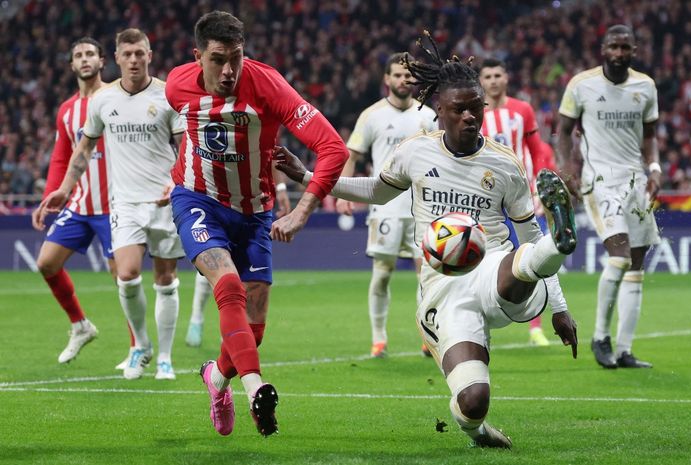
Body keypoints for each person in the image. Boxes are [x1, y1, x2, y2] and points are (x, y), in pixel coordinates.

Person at [275, 31, 578, 448]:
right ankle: (478, 432)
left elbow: (528, 231)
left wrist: (559, 308)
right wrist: (309, 178)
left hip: (492, 268)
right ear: (440, 111)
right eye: (460, 110)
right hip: (441, 287)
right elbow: (376, 191)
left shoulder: (505, 165)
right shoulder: (415, 152)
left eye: (477, 109)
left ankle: (561, 242)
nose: (471, 116)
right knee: (473, 399)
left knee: (522, 258)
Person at [165, 11, 347, 437]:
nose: (228, 70)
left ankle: (216, 379)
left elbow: (332, 147)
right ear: (198, 57)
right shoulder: (177, 85)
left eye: (236, 58)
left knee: (255, 330)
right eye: (217, 60)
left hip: (256, 212)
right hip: (197, 200)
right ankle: (255, 387)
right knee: (226, 285)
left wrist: (301, 210)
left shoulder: (267, 85)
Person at [36, 28, 185, 381]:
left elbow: (186, 146)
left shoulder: (168, 96)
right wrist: (61, 189)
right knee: (127, 275)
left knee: (165, 279)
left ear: (149, 55)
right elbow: (79, 151)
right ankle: (140, 345)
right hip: (123, 203)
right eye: (128, 54)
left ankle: (164, 357)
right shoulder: (98, 103)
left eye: (140, 54)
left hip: (163, 202)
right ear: (117, 58)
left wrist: (177, 182)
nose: (134, 60)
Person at [557, 25, 660, 369]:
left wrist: (655, 168)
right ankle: (601, 338)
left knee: (636, 267)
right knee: (618, 258)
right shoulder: (581, 84)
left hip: (636, 180)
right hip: (599, 180)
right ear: (603, 49)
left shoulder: (645, 86)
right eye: (613, 47)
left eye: (625, 48)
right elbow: (563, 128)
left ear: (634, 50)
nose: (619, 53)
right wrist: (565, 165)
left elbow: (650, 135)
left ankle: (625, 349)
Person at [335, 52, 438, 358]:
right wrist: (343, 193)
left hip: (422, 207)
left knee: (427, 275)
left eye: (408, 75)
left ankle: (428, 336)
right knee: (382, 273)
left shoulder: (428, 116)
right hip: (386, 207)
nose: (404, 80)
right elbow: (352, 155)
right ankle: (379, 338)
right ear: (387, 79)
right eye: (397, 75)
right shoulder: (372, 115)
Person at [31, 37, 115, 364]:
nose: (84, 59)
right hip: (80, 204)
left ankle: (139, 347)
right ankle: (80, 325)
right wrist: (46, 200)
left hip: (114, 205)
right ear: (71, 65)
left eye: (90, 54)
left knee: (123, 277)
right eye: (78, 55)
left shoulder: (115, 97)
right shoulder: (67, 110)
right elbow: (60, 157)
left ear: (101, 60)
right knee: (46, 263)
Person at [479, 57, 568, 347]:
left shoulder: (522, 110)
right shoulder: (474, 112)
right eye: (487, 76)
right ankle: (479, 325)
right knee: (482, 259)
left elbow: (537, 149)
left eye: (497, 75)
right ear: (481, 81)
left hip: (524, 197)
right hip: (488, 198)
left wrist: (539, 188)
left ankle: (535, 327)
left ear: (506, 78)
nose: (493, 80)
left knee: (535, 257)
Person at [184, 166, 291, 348]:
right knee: (215, 262)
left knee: (240, 273)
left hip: (251, 206)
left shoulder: (255, 139)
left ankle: (230, 333)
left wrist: (280, 188)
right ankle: (197, 318)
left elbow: (270, 152)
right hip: (213, 201)